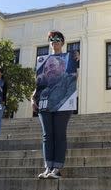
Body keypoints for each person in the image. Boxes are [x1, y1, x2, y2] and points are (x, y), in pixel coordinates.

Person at [31, 31, 79, 179]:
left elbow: (73, 77)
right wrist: (33, 98)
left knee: (59, 134)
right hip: (44, 103)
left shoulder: (69, 59)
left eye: (58, 39)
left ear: (63, 42)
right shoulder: (42, 60)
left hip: (63, 104)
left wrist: (76, 60)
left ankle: (57, 168)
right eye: (52, 39)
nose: (54, 41)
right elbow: (38, 84)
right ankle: (48, 167)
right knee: (47, 135)